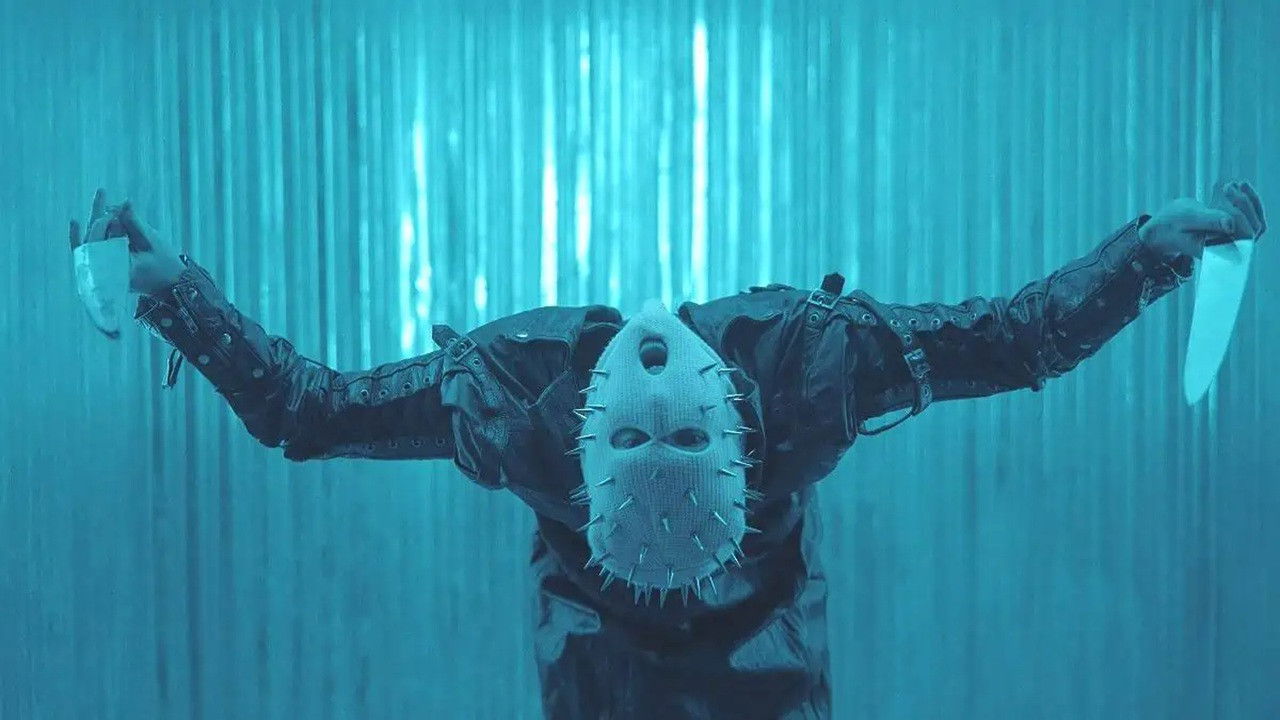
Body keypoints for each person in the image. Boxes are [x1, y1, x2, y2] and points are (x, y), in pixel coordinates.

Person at [68, 182, 1266, 719]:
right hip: (601, 683)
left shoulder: (548, 388)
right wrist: (1148, 253)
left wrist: (172, 292)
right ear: (577, 458)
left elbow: (305, 411)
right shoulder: (795, 370)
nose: (654, 373)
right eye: (657, 429)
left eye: (671, 432)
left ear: (740, 438)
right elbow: (1016, 341)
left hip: (760, 680)